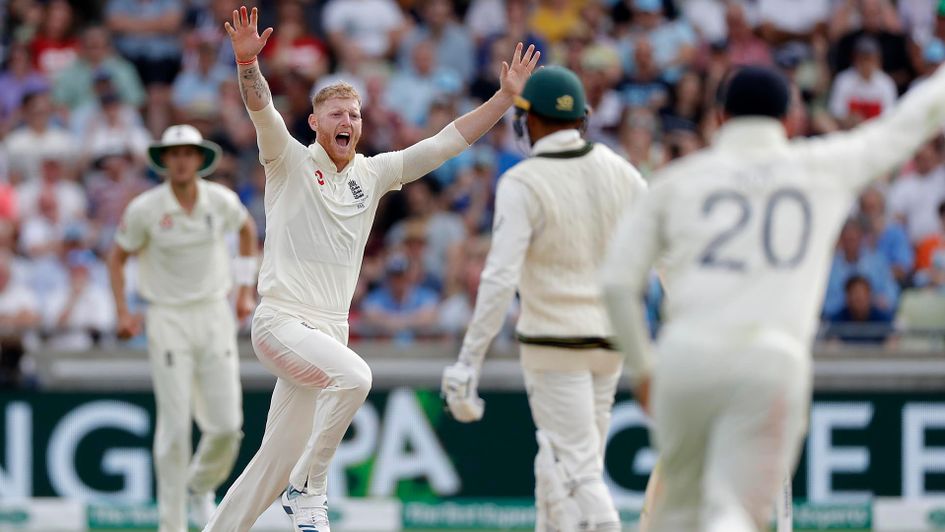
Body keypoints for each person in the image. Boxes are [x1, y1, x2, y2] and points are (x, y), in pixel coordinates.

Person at [206, 7, 539, 532]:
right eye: (336, 114)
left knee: (269, 465)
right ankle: (309, 488)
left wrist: (503, 98)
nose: (347, 122)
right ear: (315, 123)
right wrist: (248, 61)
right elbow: (261, 106)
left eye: (354, 115)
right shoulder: (288, 159)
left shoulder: (375, 172)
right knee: (357, 377)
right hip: (282, 321)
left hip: (328, 329)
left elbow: (446, 143)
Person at [601, 64, 945, 532]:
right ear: (789, 120)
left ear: (720, 118)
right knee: (736, 512)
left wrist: (644, 370)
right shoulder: (823, 166)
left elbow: (617, 284)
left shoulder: (678, 181)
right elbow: (907, 123)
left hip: (685, 360)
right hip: (770, 362)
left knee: (674, 518)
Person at [441, 65, 646, 532]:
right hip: (610, 343)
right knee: (557, 459)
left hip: (555, 345)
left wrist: (469, 360)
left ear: (528, 120)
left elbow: (499, 279)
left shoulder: (523, 181)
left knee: (577, 469)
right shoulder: (624, 173)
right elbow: (666, 256)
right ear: (582, 119)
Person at [107, 124, 258, 532]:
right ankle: (171, 525)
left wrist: (245, 291)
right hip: (167, 317)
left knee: (227, 426)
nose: (181, 160)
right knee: (174, 429)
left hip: (214, 313)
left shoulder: (220, 200)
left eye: (188, 153)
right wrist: (124, 311)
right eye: (173, 154)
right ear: (164, 161)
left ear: (200, 159)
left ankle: (201, 484)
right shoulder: (146, 208)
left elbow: (247, 231)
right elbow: (117, 258)